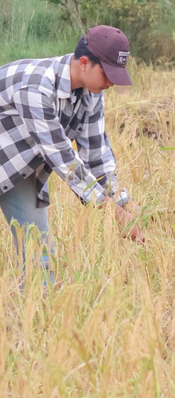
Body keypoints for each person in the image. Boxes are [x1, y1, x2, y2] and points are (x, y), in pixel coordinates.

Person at [0, 26, 144, 282]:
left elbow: (96, 154)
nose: (111, 82)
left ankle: (38, 317)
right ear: (85, 63)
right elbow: (63, 159)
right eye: (108, 74)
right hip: (11, 156)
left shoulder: (93, 93)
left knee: (40, 252)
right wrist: (114, 212)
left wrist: (124, 202)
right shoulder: (36, 88)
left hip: (14, 165)